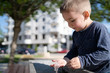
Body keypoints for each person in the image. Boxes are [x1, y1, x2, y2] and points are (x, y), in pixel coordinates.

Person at [51, 0, 110, 73]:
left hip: (102, 70)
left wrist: (82, 61)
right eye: (67, 22)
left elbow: (105, 53)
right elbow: (74, 51)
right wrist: (65, 60)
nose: (69, 25)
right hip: (86, 70)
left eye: (72, 20)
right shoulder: (76, 33)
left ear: (85, 15)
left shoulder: (99, 28)